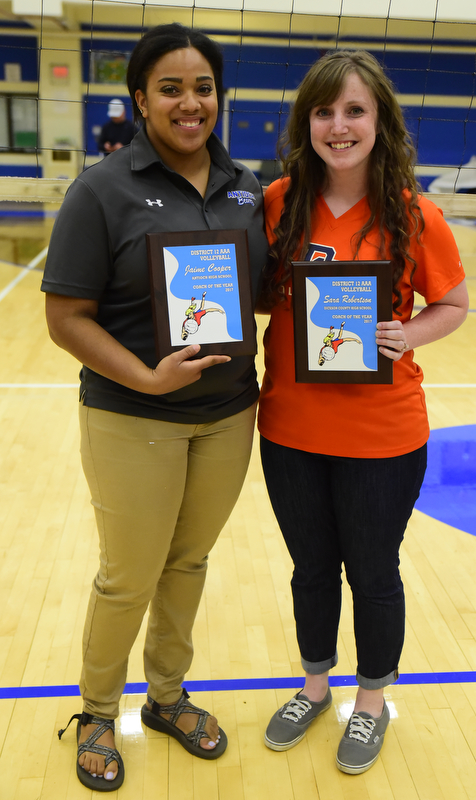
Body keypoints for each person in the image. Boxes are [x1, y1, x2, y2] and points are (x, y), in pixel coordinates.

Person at [42, 23, 267, 792]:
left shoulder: (247, 184)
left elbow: (264, 288)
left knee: (188, 563)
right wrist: (145, 378)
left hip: (229, 413)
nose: (189, 102)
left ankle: (168, 697)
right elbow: (65, 317)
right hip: (132, 417)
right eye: (170, 88)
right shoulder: (101, 189)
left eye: (202, 87)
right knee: (128, 575)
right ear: (140, 99)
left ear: (218, 96)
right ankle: (100, 711)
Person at [257, 50, 468, 775]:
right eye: (323, 111)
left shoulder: (415, 213)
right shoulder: (278, 201)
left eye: (354, 111)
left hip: (382, 434)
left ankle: (370, 701)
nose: (338, 126)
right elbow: (255, 291)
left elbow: (453, 305)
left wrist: (407, 332)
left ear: (380, 121)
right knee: (309, 569)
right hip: (288, 428)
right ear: (305, 122)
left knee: (373, 572)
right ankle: (314, 685)